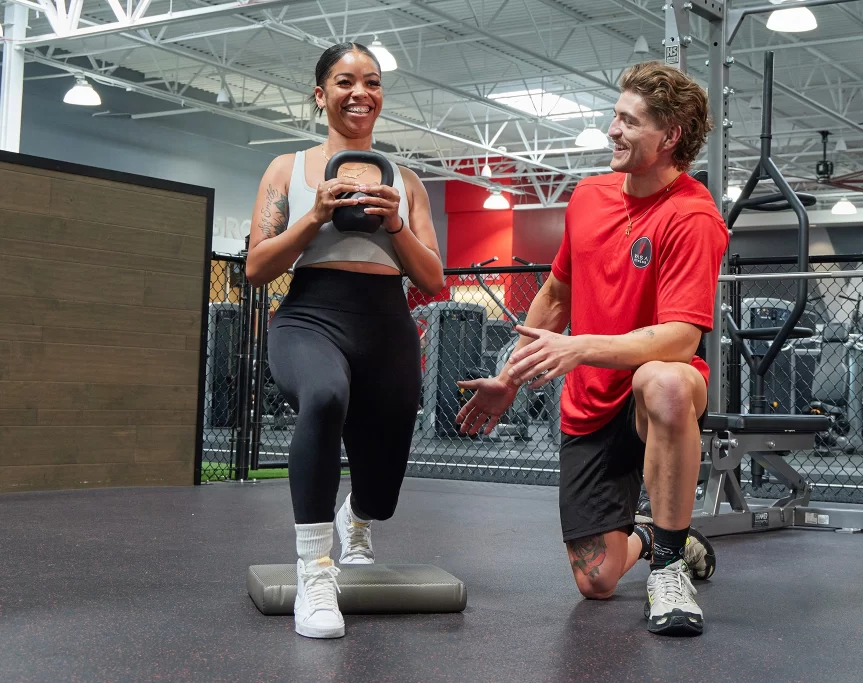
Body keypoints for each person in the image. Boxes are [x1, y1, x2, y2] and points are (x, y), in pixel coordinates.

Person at [456, 61, 729, 637]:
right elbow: (556, 295)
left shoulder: (693, 216)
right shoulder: (587, 197)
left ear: (670, 136)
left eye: (628, 121)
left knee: (667, 380)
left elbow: (681, 337)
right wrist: (509, 378)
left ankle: (669, 567)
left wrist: (580, 348)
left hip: (651, 397)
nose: (612, 129)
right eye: (615, 116)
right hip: (590, 404)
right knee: (597, 580)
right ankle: (658, 534)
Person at [244, 42, 444, 639]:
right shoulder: (288, 168)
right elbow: (256, 268)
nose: (360, 92)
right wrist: (314, 217)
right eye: (344, 81)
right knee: (325, 397)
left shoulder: (404, 181)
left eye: (372, 82)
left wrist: (395, 223)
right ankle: (315, 572)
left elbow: (433, 278)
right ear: (319, 94)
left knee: (380, 493)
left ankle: (357, 516)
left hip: (385, 324)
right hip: (311, 316)